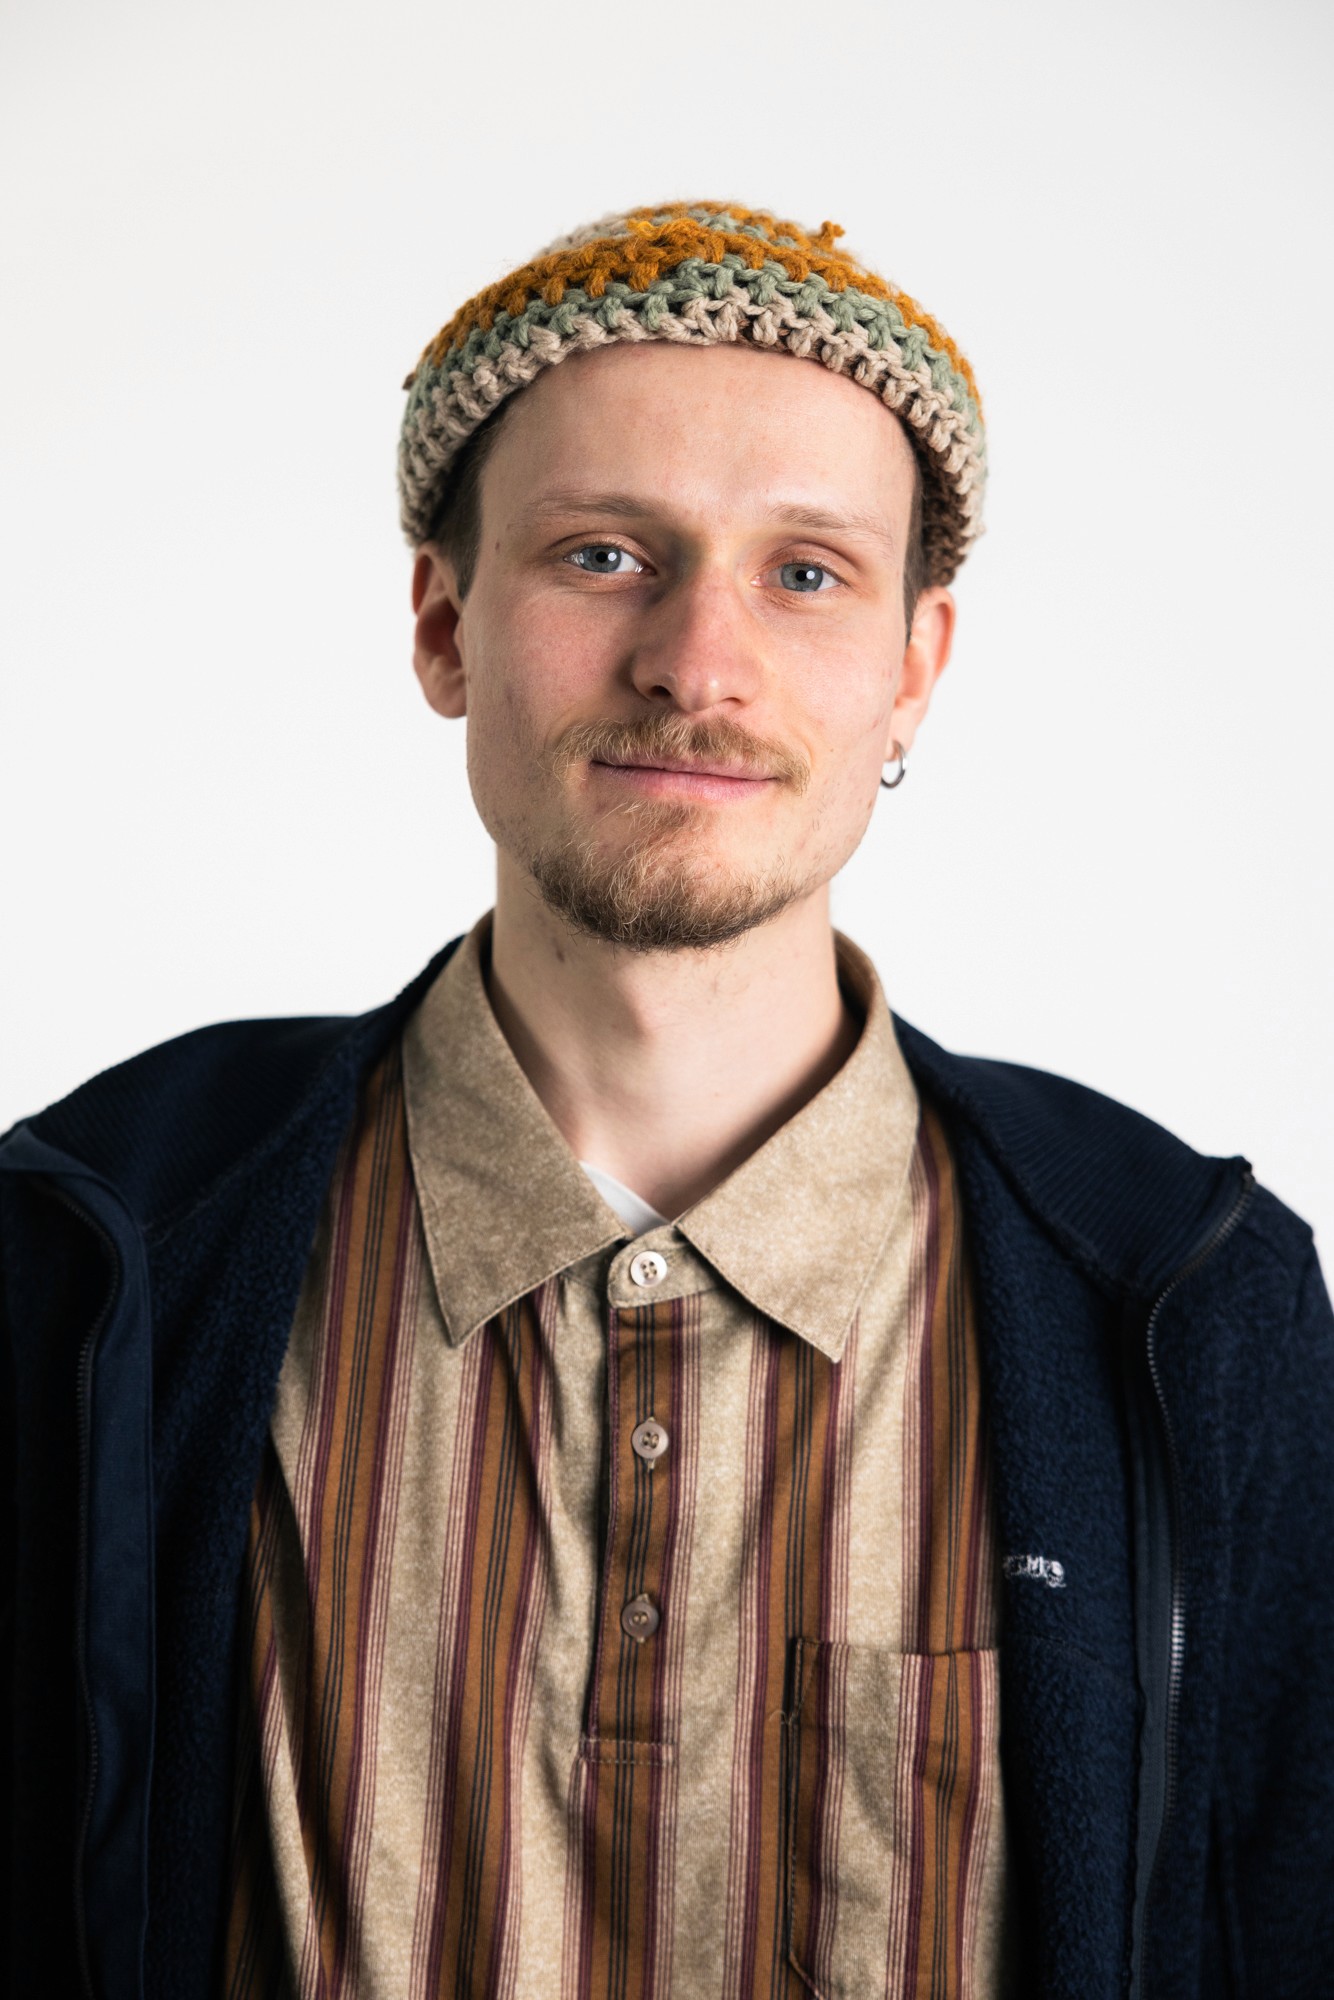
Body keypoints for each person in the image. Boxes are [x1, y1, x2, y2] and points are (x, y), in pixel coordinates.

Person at [2, 200, 1330, 2000]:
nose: (695, 663)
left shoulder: (1186, 1299)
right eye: (605, 553)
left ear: (913, 667)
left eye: (804, 573)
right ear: (444, 625)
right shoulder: (88, 1254)